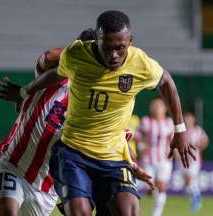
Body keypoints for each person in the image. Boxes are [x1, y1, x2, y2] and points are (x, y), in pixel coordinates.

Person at [15, 10, 196, 216]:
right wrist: (25, 91)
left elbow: (166, 81)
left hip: (114, 158)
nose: (113, 55)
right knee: (79, 212)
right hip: (74, 153)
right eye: (107, 48)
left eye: (120, 48)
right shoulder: (77, 54)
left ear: (130, 41)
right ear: (97, 39)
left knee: (127, 211)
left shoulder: (141, 63)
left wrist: (179, 130)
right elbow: (55, 73)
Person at [0, 29, 153, 216]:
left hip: (46, 187)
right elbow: (49, 55)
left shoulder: (104, 101)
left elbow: (117, 141)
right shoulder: (53, 77)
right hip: (14, 165)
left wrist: (131, 163)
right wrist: (80, 53)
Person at [135, 98, 174, 216]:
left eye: (159, 105)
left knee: (161, 186)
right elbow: (137, 136)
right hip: (148, 160)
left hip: (164, 160)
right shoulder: (146, 121)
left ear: (165, 108)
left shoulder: (169, 122)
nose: (156, 108)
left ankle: (156, 214)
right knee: (150, 189)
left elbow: (174, 140)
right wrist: (142, 148)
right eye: (154, 105)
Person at [178, 112, 209, 212]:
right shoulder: (181, 132)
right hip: (182, 159)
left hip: (194, 160)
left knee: (188, 179)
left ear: (193, 120)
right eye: (186, 119)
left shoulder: (198, 130)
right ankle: (195, 198)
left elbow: (205, 140)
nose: (187, 120)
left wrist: (198, 147)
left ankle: (197, 197)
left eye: (189, 119)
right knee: (187, 183)